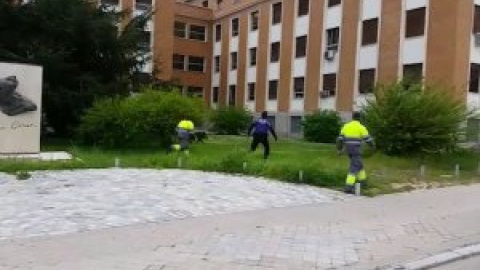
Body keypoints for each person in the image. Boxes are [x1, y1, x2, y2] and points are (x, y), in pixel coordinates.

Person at [337, 111, 375, 194]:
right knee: (354, 167)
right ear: (360, 118)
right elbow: (368, 139)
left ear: (352, 117)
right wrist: (372, 146)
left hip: (348, 150)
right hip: (356, 150)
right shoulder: (361, 127)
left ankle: (363, 182)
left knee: (359, 165)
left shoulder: (346, 126)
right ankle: (348, 187)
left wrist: (339, 149)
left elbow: (340, 139)